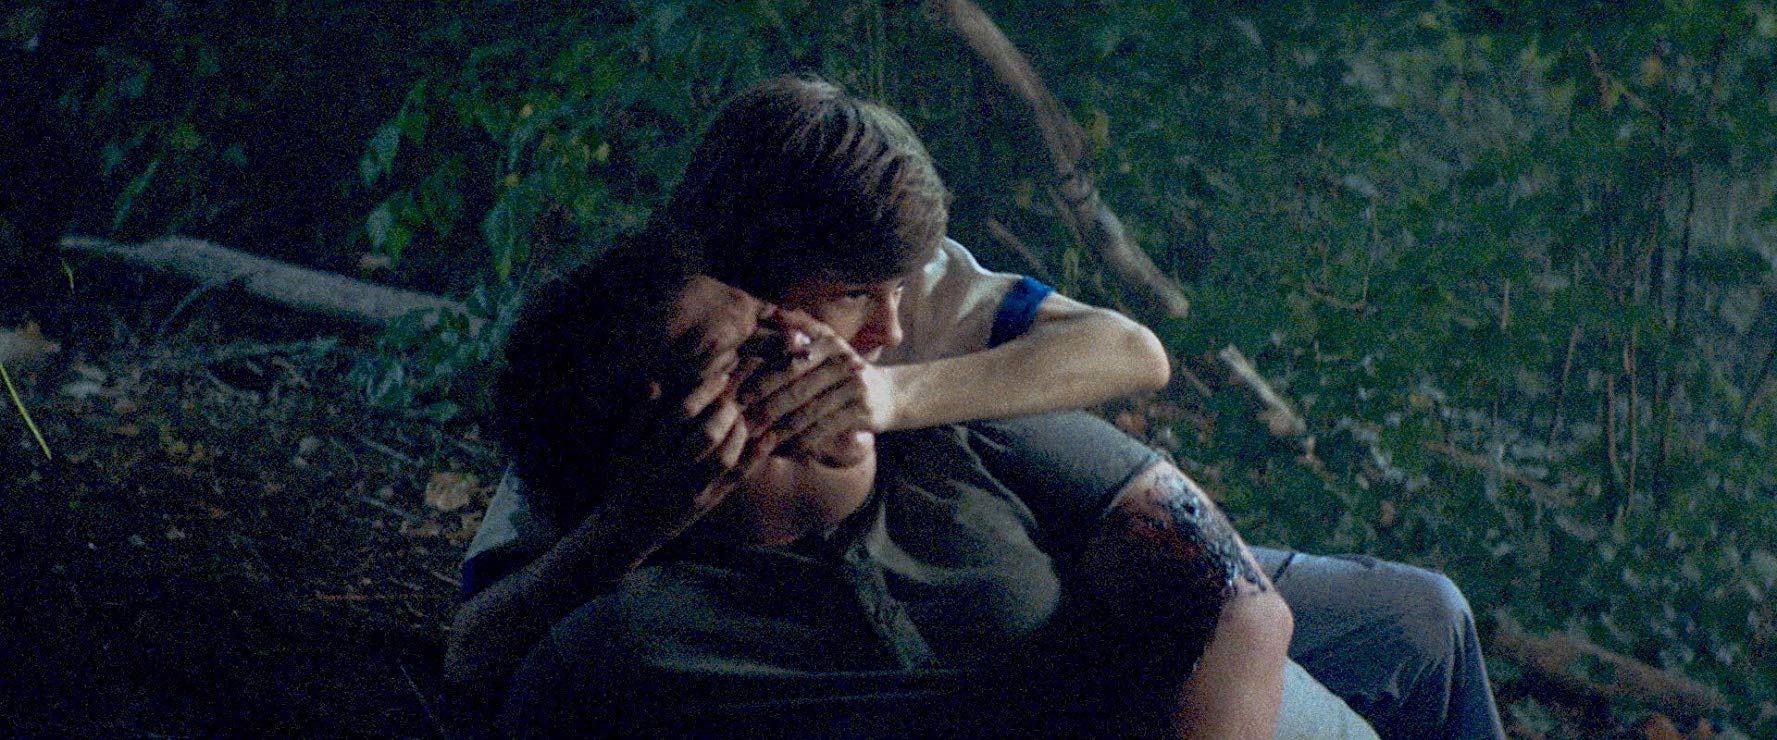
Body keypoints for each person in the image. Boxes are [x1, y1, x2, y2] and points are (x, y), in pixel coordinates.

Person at [453, 76, 1496, 737]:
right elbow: (491, 644)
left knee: (1424, 621)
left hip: (1056, 536)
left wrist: (891, 395)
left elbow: (1131, 352)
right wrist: (640, 516)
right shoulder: (639, 348)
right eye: (850, 297)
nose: (887, 323)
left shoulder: (907, 318)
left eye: (897, 291)